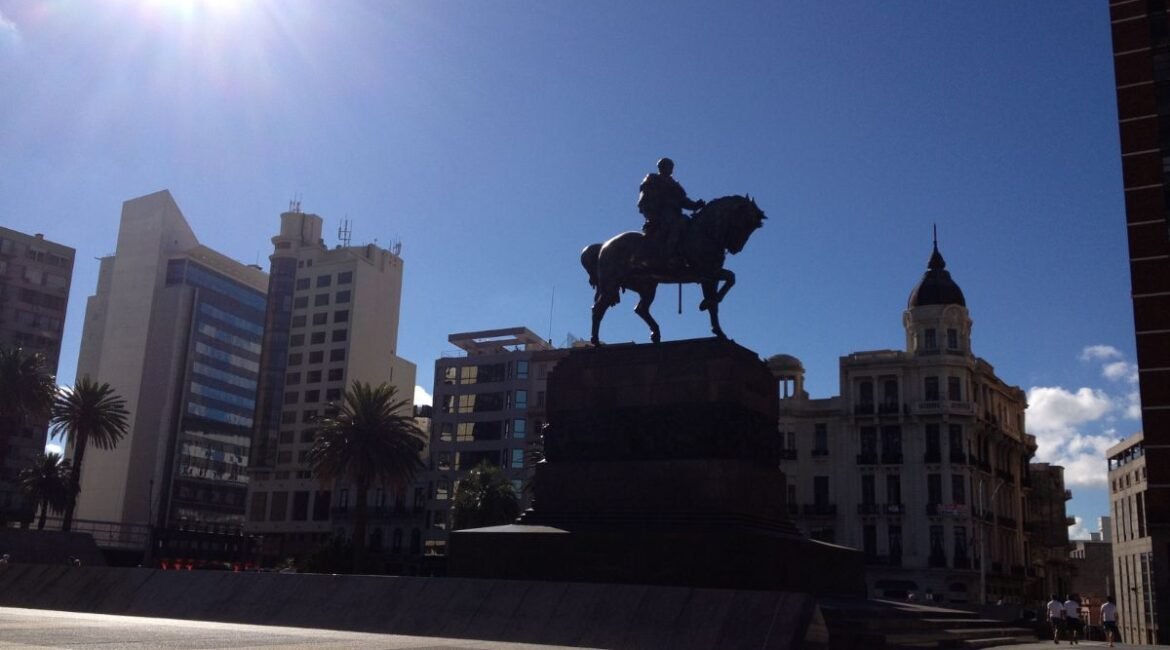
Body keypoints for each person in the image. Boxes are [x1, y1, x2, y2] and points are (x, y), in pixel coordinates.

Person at [638, 157, 704, 269]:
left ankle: (684, 254)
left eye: (671, 167)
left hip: (675, 213)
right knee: (674, 225)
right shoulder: (653, 179)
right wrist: (654, 210)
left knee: (689, 224)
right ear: (661, 167)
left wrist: (696, 205)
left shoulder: (675, 184)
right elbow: (646, 198)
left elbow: (683, 201)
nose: (670, 169)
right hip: (660, 213)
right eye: (668, 166)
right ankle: (668, 256)